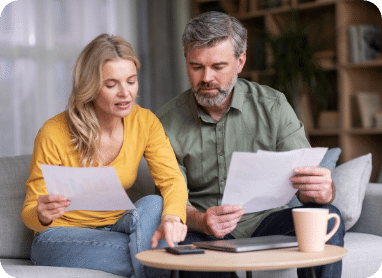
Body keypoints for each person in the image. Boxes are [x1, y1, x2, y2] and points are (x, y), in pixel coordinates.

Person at [156, 11, 345, 278]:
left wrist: (324, 191)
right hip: (201, 226)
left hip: (267, 220)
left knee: (327, 216)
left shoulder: (274, 106)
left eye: (218, 66)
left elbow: (305, 188)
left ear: (240, 61)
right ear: (186, 60)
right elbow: (171, 200)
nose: (206, 77)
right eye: (196, 66)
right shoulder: (165, 122)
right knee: (190, 255)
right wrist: (201, 220)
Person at [21, 34, 188, 278]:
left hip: (117, 227)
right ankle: (155, 263)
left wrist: (173, 218)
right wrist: (41, 214)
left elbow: (172, 180)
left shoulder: (145, 122)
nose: (125, 93)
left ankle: (151, 261)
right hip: (57, 237)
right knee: (156, 254)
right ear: (90, 87)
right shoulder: (53, 132)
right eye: (111, 85)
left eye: (131, 81)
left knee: (155, 204)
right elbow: (29, 209)